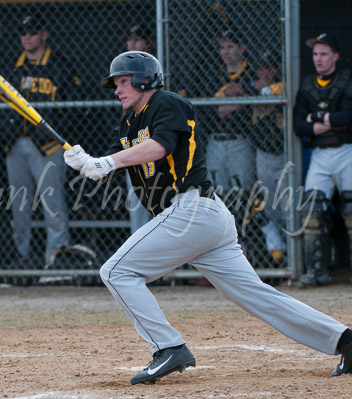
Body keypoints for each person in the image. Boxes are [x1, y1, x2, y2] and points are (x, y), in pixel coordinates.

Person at [63, 51, 352, 384]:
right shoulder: (129, 121)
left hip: (192, 211)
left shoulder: (167, 103)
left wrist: (108, 162)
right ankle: (345, 340)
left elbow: (159, 146)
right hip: (199, 221)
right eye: (116, 84)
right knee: (257, 296)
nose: (118, 90)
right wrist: (87, 161)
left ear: (146, 79)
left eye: (124, 82)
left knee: (116, 270)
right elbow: (117, 158)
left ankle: (168, 347)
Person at [4, 15, 82, 265]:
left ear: (44, 34)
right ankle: (21, 257)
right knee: (19, 207)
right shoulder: (13, 68)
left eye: (32, 32)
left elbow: (75, 109)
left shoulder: (60, 66)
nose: (27, 36)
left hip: (47, 146)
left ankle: (56, 258)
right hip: (16, 143)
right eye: (23, 32)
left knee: (53, 205)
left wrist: (55, 136)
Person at [293, 33, 352, 287]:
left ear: (336, 56)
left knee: (351, 211)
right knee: (312, 212)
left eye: (324, 54)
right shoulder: (307, 84)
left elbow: (349, 117)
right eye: (315, 54)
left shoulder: (348, 80)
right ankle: (316, 272)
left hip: (347, 150)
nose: (318, 59)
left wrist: (318, 120)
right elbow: (298, 125)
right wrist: (331, 121)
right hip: (319, 154)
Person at [207, 29, 256, 195]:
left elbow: (253, 101)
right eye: (222, 47)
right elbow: (211, 108)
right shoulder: (214, 73)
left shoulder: (252, 72)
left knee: (242, 190)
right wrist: (238, 101)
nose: (225, 52)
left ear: (241, 49)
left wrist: (236, 104)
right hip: (215, 140)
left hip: (241, 140)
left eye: (230, 46)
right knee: (216, 191)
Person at [251, 50, 287, 264]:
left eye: (270, 67)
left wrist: (254, 88)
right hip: (263, 151)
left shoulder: (283, 84)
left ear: (278, 69)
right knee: (271, 205)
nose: (265, 71)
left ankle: (293, 252)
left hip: (284, 153)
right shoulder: (251, 84)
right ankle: (279, 253)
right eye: (261, 68)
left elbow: (267, 92)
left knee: (287, 206)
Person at [123, 24, 153, 234]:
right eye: (129, 39)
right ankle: (142, 258)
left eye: (138, 39)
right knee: (137, 203)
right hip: (133, 146)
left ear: (148, 44)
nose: (132, 44)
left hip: (159, 145)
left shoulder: (157, 69)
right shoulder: (120, 73)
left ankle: (168, 258)